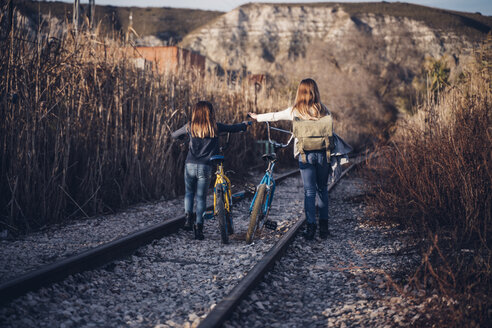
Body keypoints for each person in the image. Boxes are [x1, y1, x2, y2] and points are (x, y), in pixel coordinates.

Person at [249, 78, 333, 240]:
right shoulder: (324, 110)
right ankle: (324, 229)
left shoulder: (295, 110)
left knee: (309, 192)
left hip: (305, 154)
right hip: (323, 154)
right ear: (315, 91)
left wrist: (257, 117)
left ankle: (310, 228)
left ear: (300, 92)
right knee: (322, 189)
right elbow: (331, 132)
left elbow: (274, 116)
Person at [172, 101, 249, 240]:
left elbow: (174, 134)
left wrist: (183, 137)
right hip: (205, 166)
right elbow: (234, 128)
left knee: (189, 193)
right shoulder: (215, 127)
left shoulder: (190, 126)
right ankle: (198, 228)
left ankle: (188, 218)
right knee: (201, 198)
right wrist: (245, 124)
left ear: (195, 112)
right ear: (210, 113)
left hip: (189, 165)